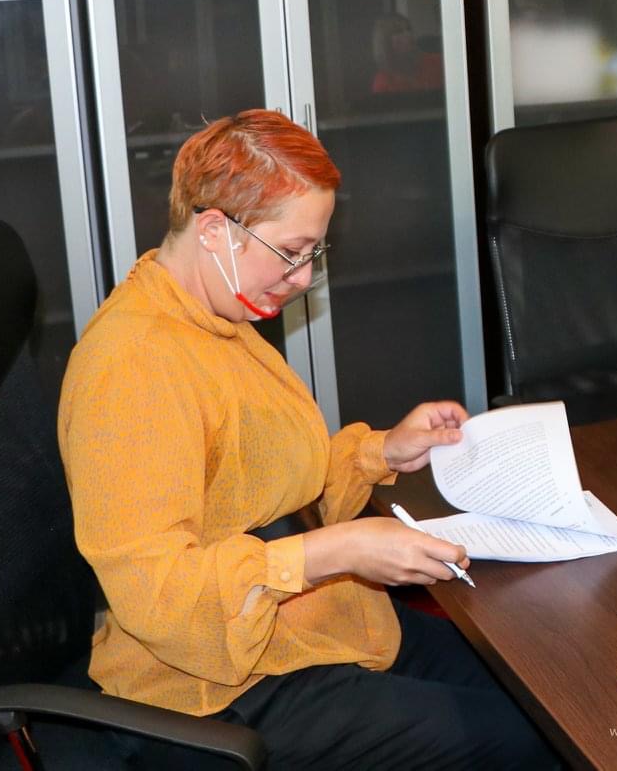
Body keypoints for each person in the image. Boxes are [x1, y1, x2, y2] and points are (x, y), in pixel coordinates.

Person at [58, 109, 551, 769]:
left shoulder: (210, 314)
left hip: (305, 624)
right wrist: (336, 549)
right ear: (215, 230)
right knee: (534, 735)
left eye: (312, 254)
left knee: (540, 689)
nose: (300, 278)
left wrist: (381, 451)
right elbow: (160, 596)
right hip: (222, 689)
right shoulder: (133, 367)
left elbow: (260, 483)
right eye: (291, 252)